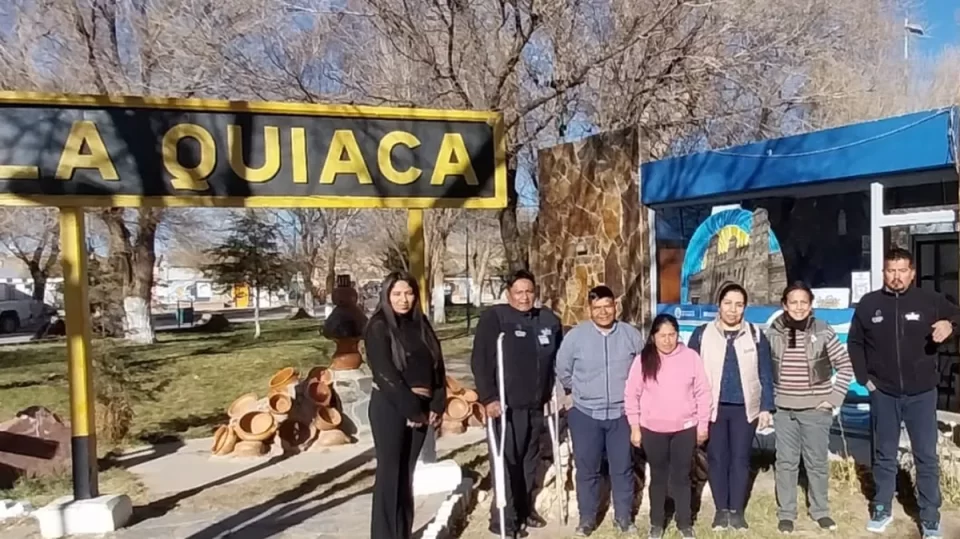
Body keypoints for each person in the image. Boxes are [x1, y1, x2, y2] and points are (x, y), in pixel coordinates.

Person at [848, 248, 960, 538]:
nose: (896, 277)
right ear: (883, 272)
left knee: (925, 456)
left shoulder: (930, 300)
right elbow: (855, 343)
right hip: (883, 393)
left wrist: (951, 324)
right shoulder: (869, 304)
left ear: (912, 272)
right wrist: (865, 379)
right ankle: (882, 506)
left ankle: (930, 516)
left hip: (922, 393)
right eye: (890, 270)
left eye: (902, 270)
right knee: (884, 453)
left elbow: (957, 317)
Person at [471, 269, 563, 538]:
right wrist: (488, 398)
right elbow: (480, 361)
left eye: (529, 291)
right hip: (505, 406)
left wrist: (554, 393)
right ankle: (504, 518)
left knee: (528, 462)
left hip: (536, 405)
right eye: (519, 292)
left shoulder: (547, 319)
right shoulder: (495, 318)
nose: (525, 297)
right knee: (506, 460)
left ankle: (523, 510)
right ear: (508, 294)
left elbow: (557, 358)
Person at [556, 285, 645, 536]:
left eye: (608, 306)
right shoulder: (576, 337)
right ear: (589, 309)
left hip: (621, 414)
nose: (604, 312)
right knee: (587, 469)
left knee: (623, 467)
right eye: (598, 308)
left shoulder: (630, 335)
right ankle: (587, 519)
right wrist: (578, 392)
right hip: (585, 414)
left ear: (615, 306)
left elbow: (642, 369)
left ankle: (624, 518)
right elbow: (563, 369)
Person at [766, 282, 854, 534]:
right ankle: (786, 513)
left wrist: (834, 398)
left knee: (816, 463)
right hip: (784, 410)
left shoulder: (823, 330)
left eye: (804, 302)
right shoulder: (773, 333)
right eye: (793, 302)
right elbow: (762, 370)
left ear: (811, 305)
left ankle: (820, 511)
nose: (799, 307)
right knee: (785, 462)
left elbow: (845, 365)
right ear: (784, 305)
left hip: (816, 409)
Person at [364, 272, 446, 539]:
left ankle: (402, 532)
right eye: (397, 294)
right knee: (390, 474)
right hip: (391, 406)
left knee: (405, 475)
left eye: (408, 293)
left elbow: (437, 366)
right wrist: (411, 410)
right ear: (387, 296)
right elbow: (384, 374)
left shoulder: (421, 323)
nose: (403, 299)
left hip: (421, 409)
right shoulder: (378, 326)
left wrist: (436, 403)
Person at [687, 282, 775, 531]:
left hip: (744, 409)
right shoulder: (702, 334)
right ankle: (720, 510)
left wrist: (766, 407)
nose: (733, 310)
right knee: (716, 458)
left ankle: (736, 511)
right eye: (728, 303)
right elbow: (690, 374)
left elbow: (765, 373)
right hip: (712, 408)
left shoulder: (756, 335)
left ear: (745, 307)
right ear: (719, 305)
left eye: (739, 304)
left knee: (740, 458)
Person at [625, 313, 712, 539]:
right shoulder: (643, 360)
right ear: (653, 336)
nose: (667, 340)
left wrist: (702, 425)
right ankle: (656, 523)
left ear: (677, 334)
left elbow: (703, 393)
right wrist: (634, 426)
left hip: (684, 428)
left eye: (672, 334)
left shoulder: (691, 357)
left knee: (682, 477)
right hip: (653, 429)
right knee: (659, 477)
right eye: (662, 335)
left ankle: (685, 523)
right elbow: (631, 394)